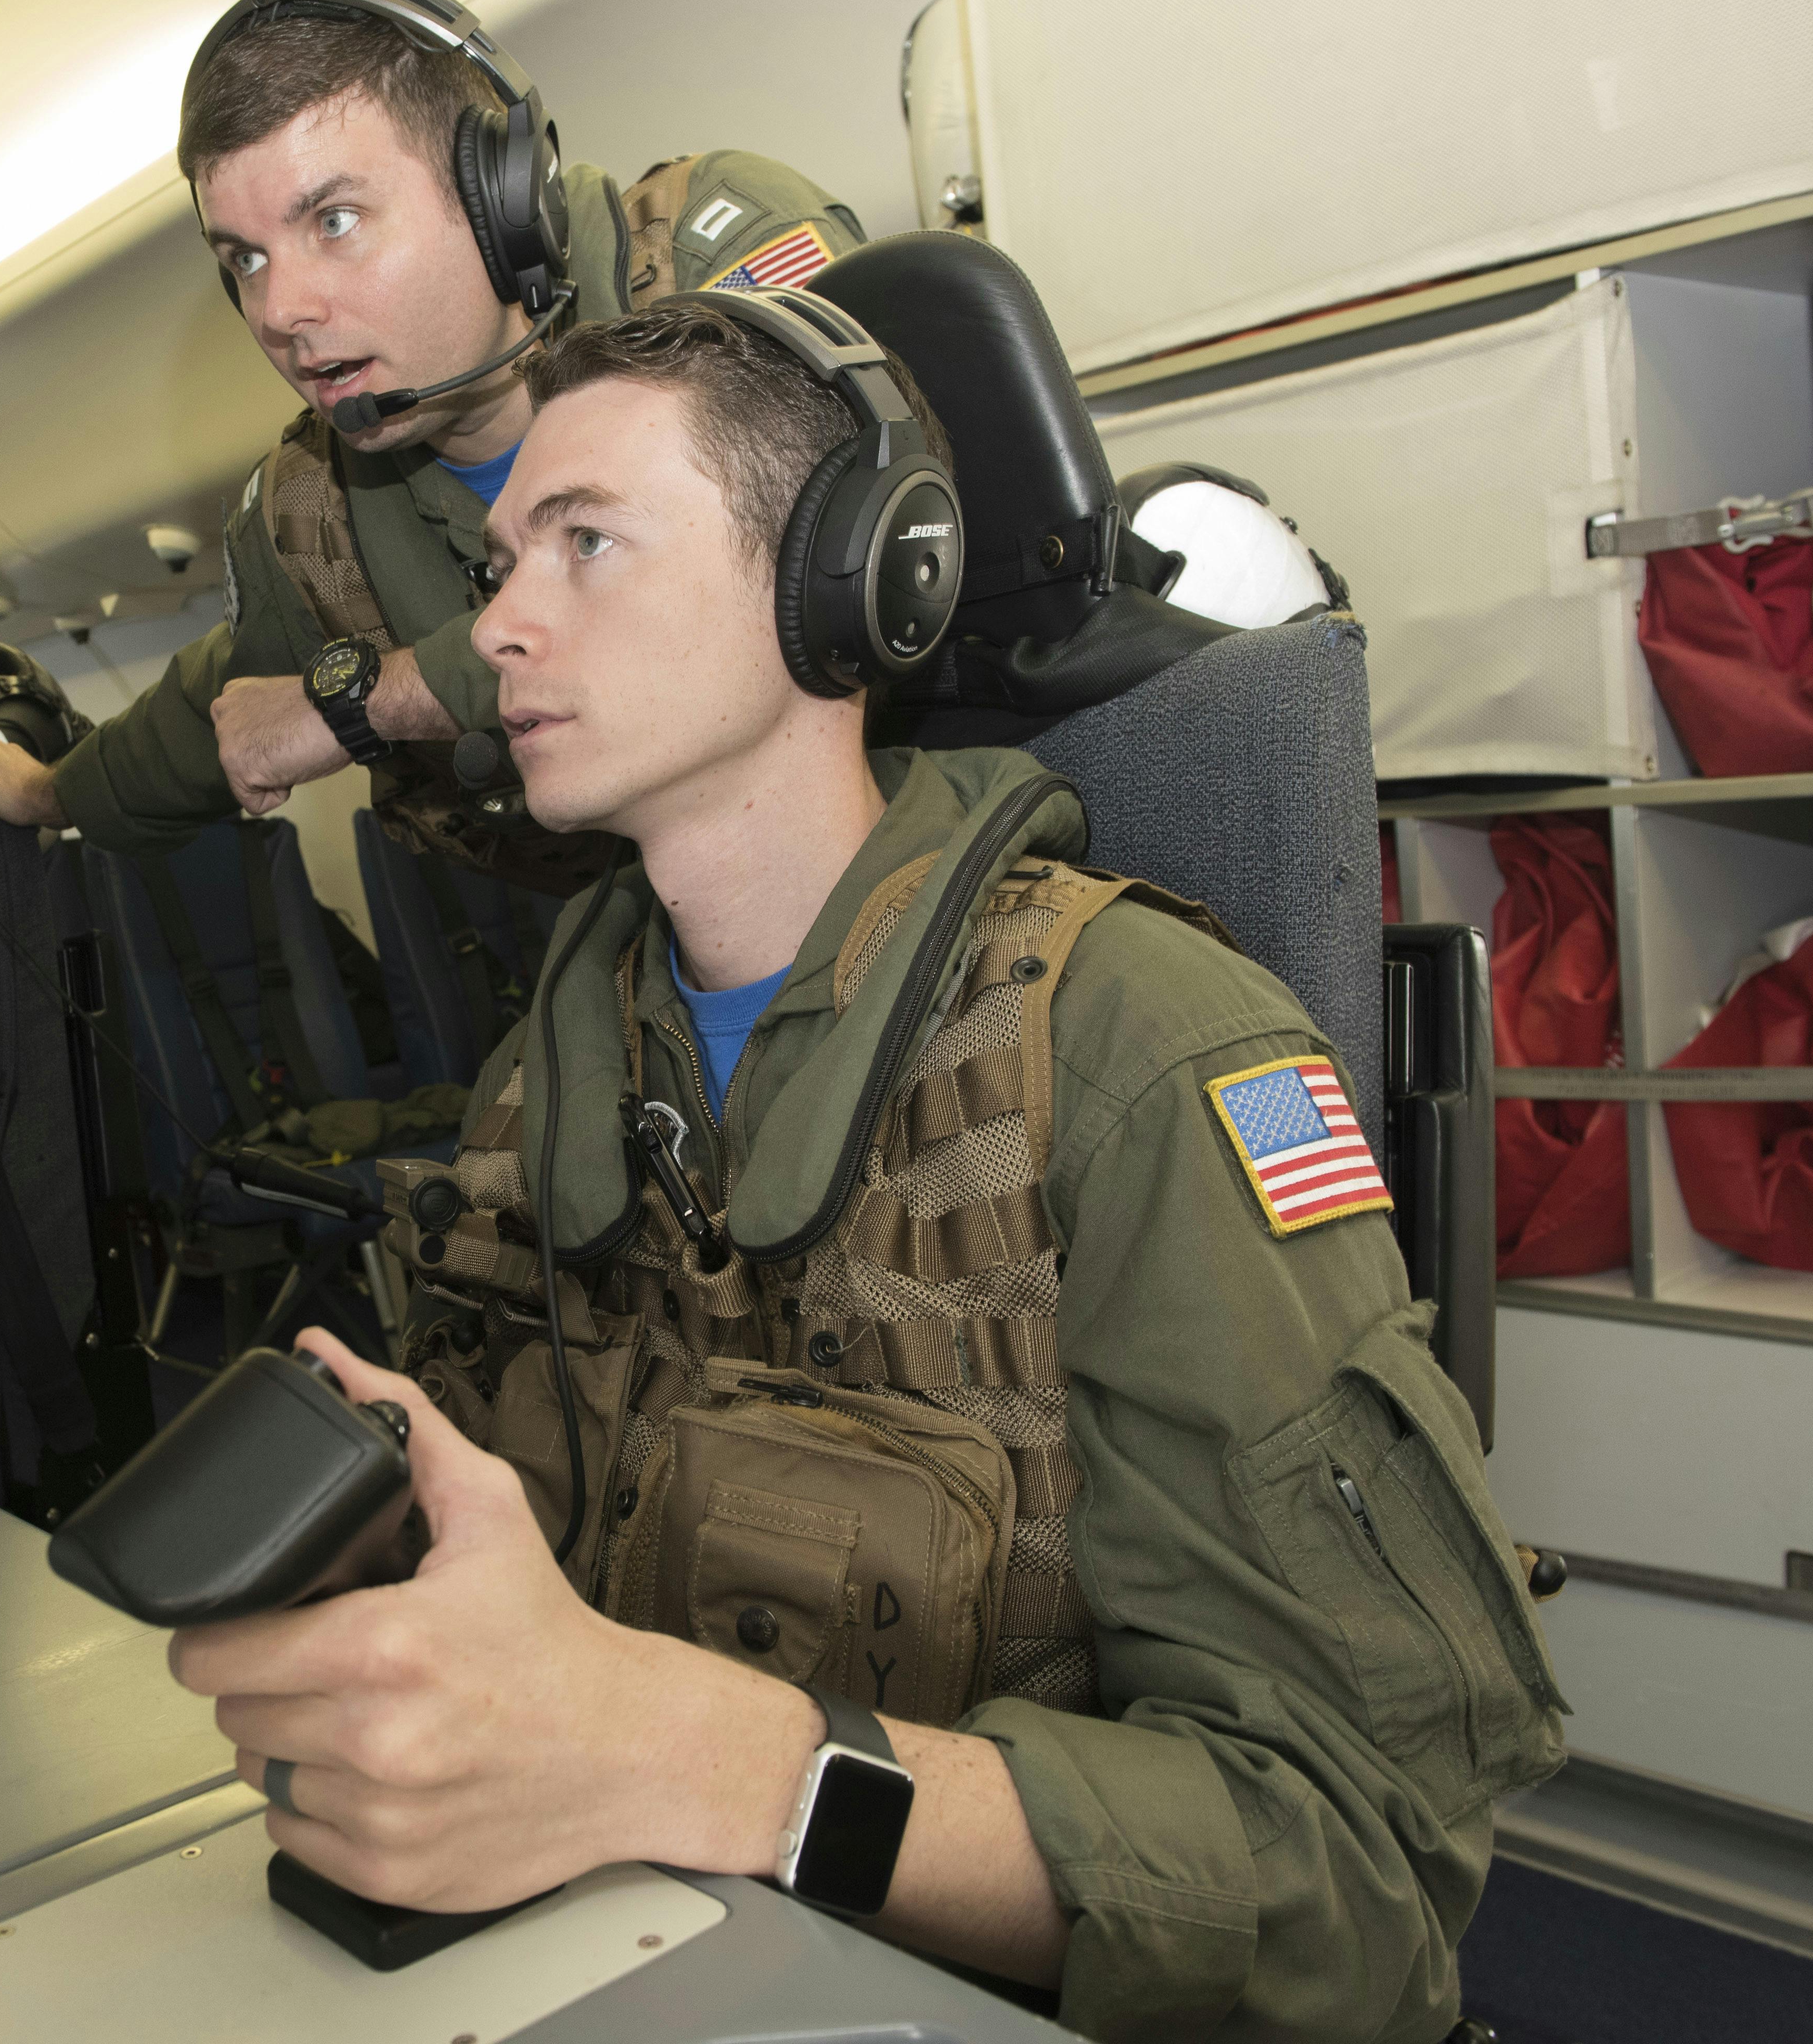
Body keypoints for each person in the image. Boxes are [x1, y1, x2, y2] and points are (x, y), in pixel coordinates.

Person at [164, 299, 1565, 2041]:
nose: (499, 626)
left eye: (585, 542)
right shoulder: (565, 1058)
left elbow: (1349, 1876)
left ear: (839, 582)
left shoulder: (1145, 1049)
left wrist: (725, 1763)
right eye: (504, 555)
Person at [0, 0, 865, 883]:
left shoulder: (710, 265)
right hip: (641, 944)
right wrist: (51, 792)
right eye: (246, 260)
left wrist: (367, 702)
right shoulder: (309, 527)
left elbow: (786, 557)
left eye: (334, 220)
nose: (280, 311)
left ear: (501, 200)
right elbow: (206, 712)